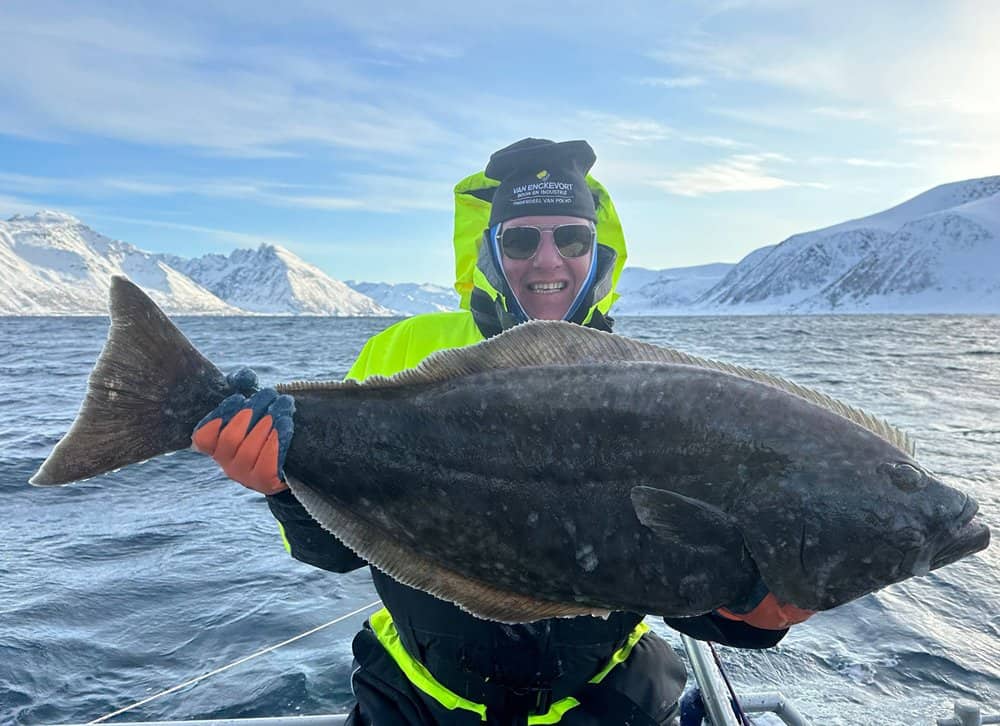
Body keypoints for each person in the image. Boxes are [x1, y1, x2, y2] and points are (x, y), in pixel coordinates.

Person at [192, 138, 813, 725]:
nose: (548, 261)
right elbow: (335, 549)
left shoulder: (650, 385)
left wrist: (756, 612)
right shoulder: (403, 351)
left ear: (598, 251)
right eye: (520, 242)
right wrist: (279, 484)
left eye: (572, 237)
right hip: (416, 700)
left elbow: (674, 568)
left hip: (606, 699)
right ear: (489, 250)